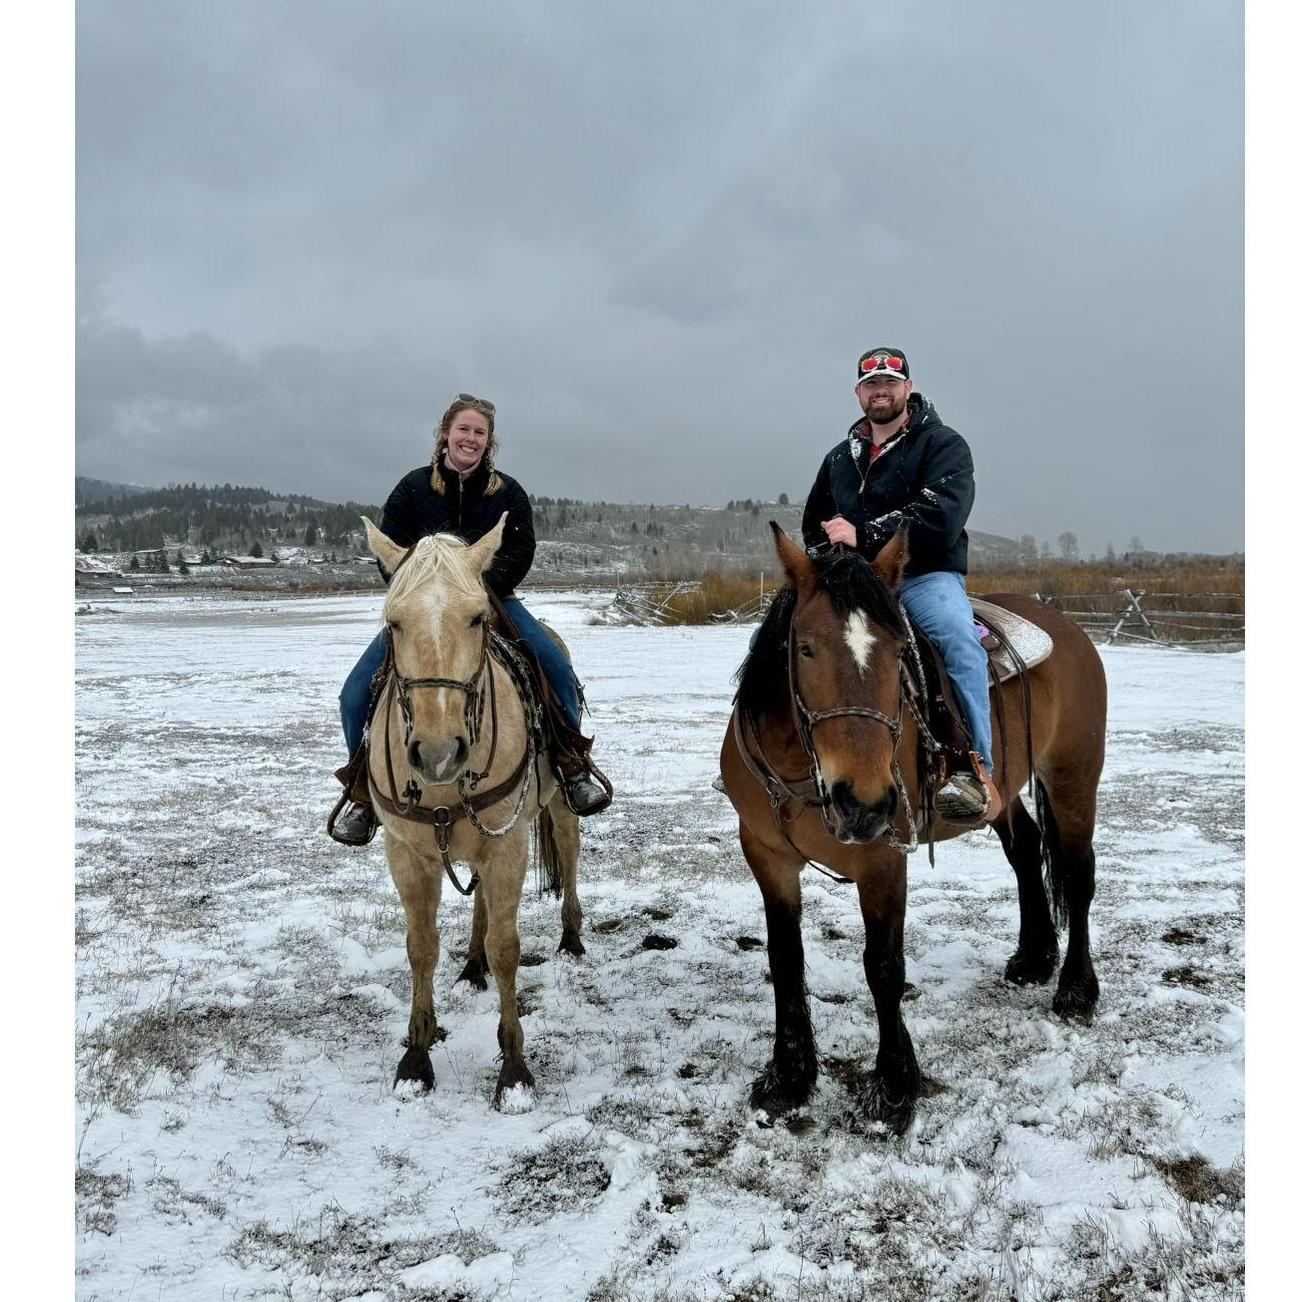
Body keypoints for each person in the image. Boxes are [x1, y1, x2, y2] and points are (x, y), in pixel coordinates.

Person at [330, 394, 610, 845]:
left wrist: (474, 588)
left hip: (492, 600)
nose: (471, 439)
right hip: (424, 610)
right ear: (445, 434)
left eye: (480, 433)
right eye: (464, 430)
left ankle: (572, 765)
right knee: (354, 693)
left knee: (556, 668)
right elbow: (392, 557)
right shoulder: (411, 489)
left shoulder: (509, 493)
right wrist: (424, 589)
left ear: (489, 442)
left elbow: (520, 552)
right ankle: (363, 790)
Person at [801, 348, 1002, 826]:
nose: (881, 391)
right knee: (776, 638)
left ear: (907, 389)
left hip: (923, 575)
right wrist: (831, 557)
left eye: (891, 382)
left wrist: (864, 534)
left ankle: (972, 767)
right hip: (854, 581)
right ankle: (772, 752)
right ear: (858, 394)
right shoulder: (840, 457)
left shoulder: (942, 445)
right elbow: (814, 525)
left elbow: (941, 517)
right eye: (871, 385)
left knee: (957, 639)